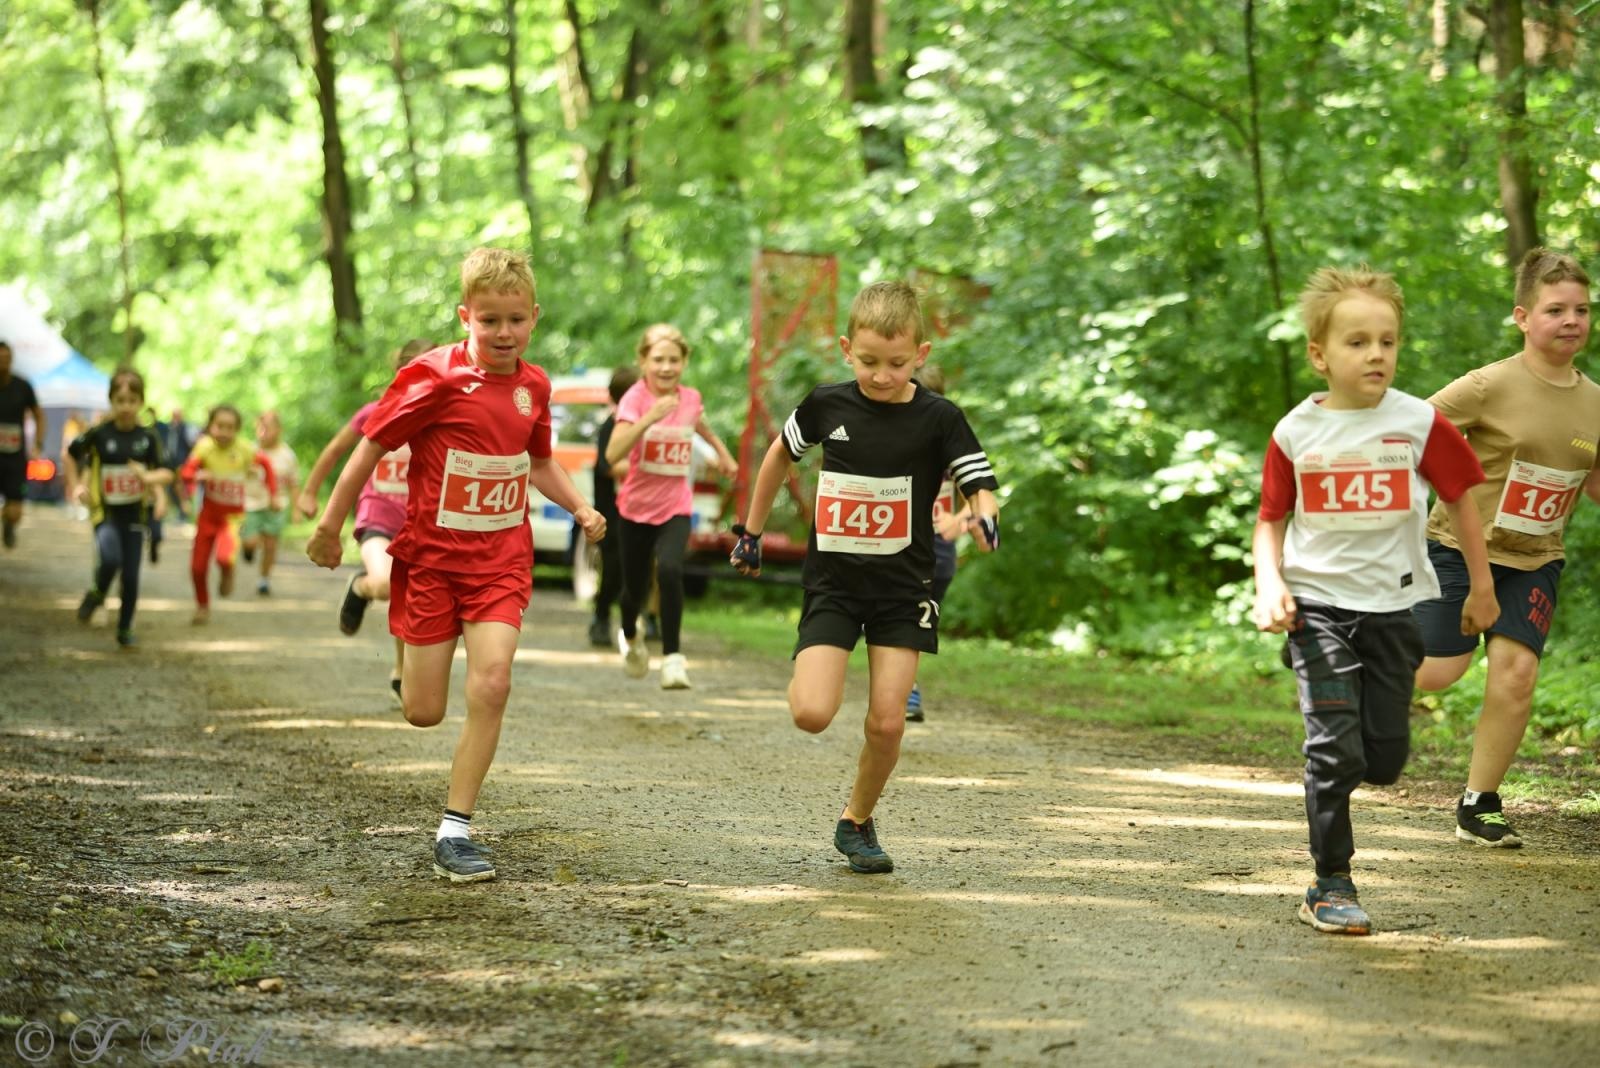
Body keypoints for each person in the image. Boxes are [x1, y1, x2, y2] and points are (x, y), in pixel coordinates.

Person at [305, 247, 605, 884]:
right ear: (465, 315)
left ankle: (455, 829)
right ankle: (387, 617)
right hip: (434, 563)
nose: (504, 333)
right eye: (489, 320)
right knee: (423, 711)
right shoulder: (432, 377)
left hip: (500, 561)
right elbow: (369, 447)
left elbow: (541, 459)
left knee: (493, 682)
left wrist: (580, 507)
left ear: (534, 318)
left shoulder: (535, 386)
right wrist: (331, 525)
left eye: (516, 320)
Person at [1252, 266, 1498, 936]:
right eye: (1357, 342)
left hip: (1393, 609)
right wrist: (1269, 584)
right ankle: (1330, 882)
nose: (1376, 354)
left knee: (1383, 761)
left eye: (1386, 341)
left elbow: (1462, 503)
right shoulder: (1295, 433)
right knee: (1335, 751)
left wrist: (1480, 584)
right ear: (1319, 354)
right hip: (1317, 606)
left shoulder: (1419, 422)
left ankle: (1339, 699)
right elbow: (1271, 518)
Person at [729, 280, 1000, 874]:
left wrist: (984, 518)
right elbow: (779, 454)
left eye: (897, 364)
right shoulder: (828, 404)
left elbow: (979, 481)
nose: (882, 375)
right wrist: (748, 530)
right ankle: (813, 669)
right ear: (849, 349)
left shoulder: (939, 418)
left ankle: (856, 821)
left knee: (886, 720)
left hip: (904, 592)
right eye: (870, 361)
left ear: (921, 357)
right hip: (835, 585)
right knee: (811, 714)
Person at [1413, 247, 1600, 849]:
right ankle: (1345, 637)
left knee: (1517, 674)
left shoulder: (1596, 402)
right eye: (1555, 310)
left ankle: (1479, 802)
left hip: (1536, 556)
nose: (1571, 320)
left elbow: (1594, 481)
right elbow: (1412, 429)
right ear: (1523, 317)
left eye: (1582, 309)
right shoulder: (1489, 384)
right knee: (1439, 674)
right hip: (1458, 548)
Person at [296, 339, 433, 704]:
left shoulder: (441, 418)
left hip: (419, 522)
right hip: (378, 514)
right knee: (389, 584)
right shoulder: (376, 410)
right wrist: (310, 492)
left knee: (411, 594)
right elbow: (336, 450)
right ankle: (360, 588)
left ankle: (401, 672)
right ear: (401, 373)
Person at [605, 323, 738, 689]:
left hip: (676, 505)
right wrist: (650, 418)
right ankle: (630, 634)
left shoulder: (690, 397)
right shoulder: (634, 399)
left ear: (684, 363)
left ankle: (674, 659)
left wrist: (723, 455)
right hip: (634, 508)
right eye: (658, 360)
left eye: (674, 360)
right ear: (644, 361)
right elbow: (613, 453)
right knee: (632, 591)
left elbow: (699, 424)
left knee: (669, 570)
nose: (666, 368)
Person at [63, 368, 172, 647]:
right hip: (106, 514)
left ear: (141, 402)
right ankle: (98, 592)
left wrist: (147, 478)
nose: (126, 407)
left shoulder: (148, 438)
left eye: (132, 400)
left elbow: (168, 472)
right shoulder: (99, 434)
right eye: (120, 400)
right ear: (111, 401)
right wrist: (76, 485)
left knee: (132, 576)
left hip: (135, 516)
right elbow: (70, 455)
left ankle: (124, 628)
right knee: (110, 559)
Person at [905, 364, 965, 722]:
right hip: (894, 543)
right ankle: (902, 687)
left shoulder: (952, 443)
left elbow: (977, 493)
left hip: (937, 547)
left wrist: (961, 519)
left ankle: (905, 686)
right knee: (900, 612)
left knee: (916, 617)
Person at [179, 405, 277, 624]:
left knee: (224, 557)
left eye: (230, 428)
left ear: (237, 430)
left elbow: (267, 466)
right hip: (208, 516)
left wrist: (272, 494)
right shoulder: (204, 448)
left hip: (232, 519)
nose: (224, 432)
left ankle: (227, 571)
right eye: (219, 426)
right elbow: (186, 471)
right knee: (197, 566)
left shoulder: (244, 449)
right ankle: (202, 606)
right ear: (210, 426)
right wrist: (196, 477)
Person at [587, 365, 639, 647]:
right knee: (614, 567)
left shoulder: (642, 424)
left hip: (639, 509)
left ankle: (637, 621)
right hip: (613, 511)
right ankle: (601, 616)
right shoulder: (613, 424)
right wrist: (639, 468)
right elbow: (605, 466)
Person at [239, 410, 299, 595]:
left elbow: (293, 484)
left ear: (278, 430)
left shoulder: (287, 455)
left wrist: (296, 510)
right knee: (252, 542)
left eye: (268, 428)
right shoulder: (249, 451)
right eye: (260, 428)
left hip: (276, 505)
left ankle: (264, 579)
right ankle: (247, 546)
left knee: (271, 545)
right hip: (251, 504)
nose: (264, 432)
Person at [0, 340, 45, 549]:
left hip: (15, 458)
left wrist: (38, 443)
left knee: (15, 512)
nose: (3, 364)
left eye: (7, 359)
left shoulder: (22, 386)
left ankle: (8, 522)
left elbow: (39, 415)